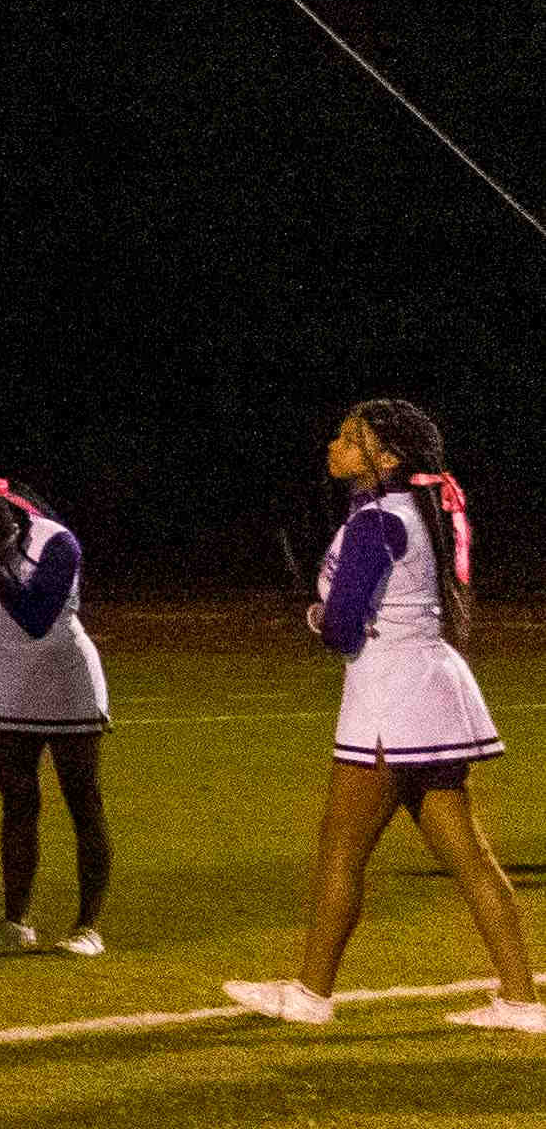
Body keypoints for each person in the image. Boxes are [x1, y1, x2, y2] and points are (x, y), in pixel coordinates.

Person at [229, 401, 542, 1030]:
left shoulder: (376, 520)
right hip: (431, 683)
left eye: (352, 437)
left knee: (341, 850)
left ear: (388, 458)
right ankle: (521, 999)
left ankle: (311, 994)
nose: (335, 443)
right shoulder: (411, 511)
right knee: (470, 855)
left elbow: (343, 626)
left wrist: (316, 617)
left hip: (389, 696)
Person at [0, 478, 110, 954]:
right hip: (8, 682)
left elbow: (37, 618)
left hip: (66, 677)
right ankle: (15, 921)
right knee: (17, 804)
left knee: (82, 799)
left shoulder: (56, 540)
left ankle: (88, 927)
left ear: (15, 515)